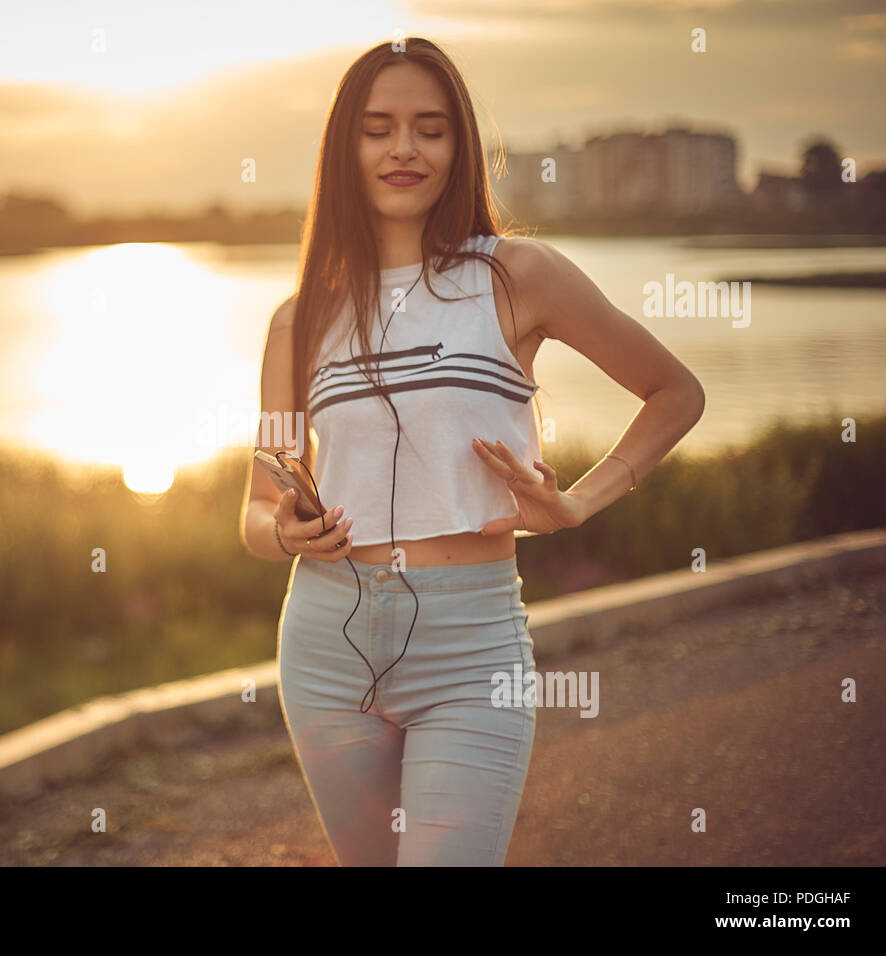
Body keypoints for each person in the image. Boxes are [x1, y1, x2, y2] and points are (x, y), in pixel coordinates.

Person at [238, 37, 705, 866]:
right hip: (323, 642)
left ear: (460, 148)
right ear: (345, 148)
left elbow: (675, 393)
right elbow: (254, 505)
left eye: (431, 128)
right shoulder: (295, 320)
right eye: (378, 128)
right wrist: (284, 531)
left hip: (471, 647)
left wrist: (579, 503)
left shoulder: (516, 276)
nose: (404, 149)